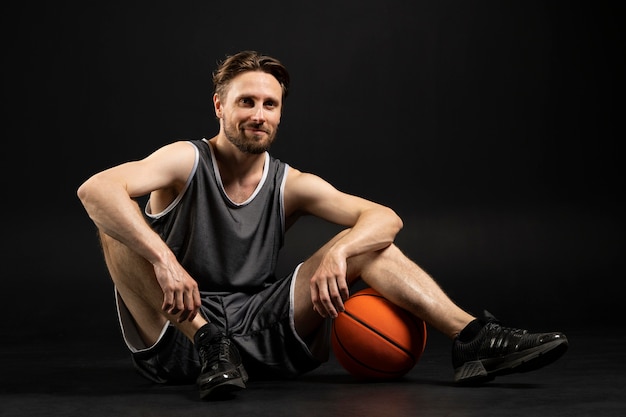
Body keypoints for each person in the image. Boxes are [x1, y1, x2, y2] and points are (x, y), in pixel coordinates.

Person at [77, 50, 568, 400]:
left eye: (270, 105)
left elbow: (385, 218)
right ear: (219, 106)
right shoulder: (185, 159)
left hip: (259, 329)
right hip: (180, 333)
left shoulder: (291, 183)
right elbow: (95, 189)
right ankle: (210, 344)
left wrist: (339, 251)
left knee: (367, 244)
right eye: (246, 101)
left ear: (280, 113)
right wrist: (163, 259)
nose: (258, 115)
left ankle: (474, 338)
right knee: (114, 228)